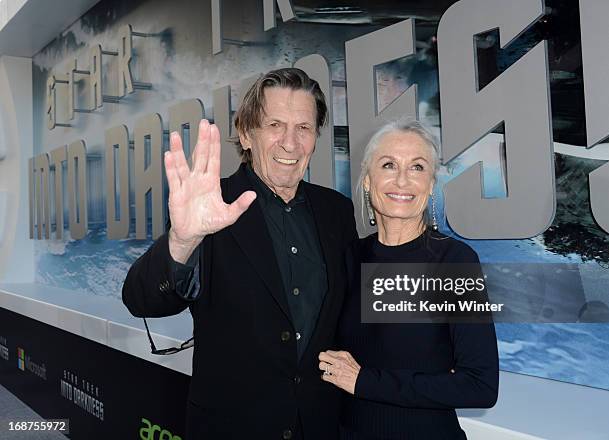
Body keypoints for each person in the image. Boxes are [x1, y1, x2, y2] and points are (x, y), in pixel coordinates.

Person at [122, 68, 357, 440]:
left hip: (319, 425)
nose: (290, 143)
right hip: (231, 427)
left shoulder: (337, 212)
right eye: (275, 125)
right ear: (246, 133)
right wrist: (183, 240)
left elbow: (349, 315)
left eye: (304, 128)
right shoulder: (211, 205)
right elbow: (141, 299)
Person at [318, 119, 499, 440]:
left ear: (430, 184)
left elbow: (480, 386)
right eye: (388, 164)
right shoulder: (348, 257)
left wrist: (365, 381)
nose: (402, 180)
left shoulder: (453, 262)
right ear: (366, 179)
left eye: (417, 167)